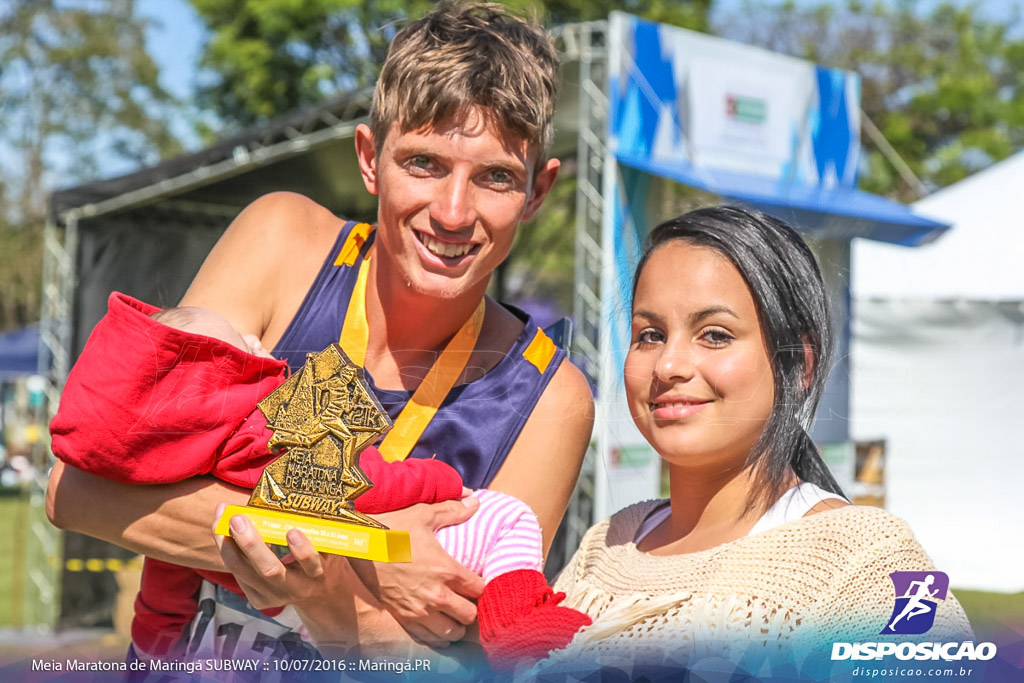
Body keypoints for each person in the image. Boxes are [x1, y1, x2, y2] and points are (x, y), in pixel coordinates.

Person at [46, 0, 593, 662]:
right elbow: (80, 489)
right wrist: (366, 541)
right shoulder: (283, 243)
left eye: (496, 177)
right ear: (369, 157)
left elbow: (472, 666)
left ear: (539, 190)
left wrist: (321, 589)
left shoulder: (550, 398)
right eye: (423, 163)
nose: (452, 211)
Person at [524, 206, 973, 674]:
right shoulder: (609, 542)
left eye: (714, 335)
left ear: (799, 365)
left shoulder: (864, 562)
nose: (668, 365)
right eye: (650, 335)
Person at [51, 293, 589, 669]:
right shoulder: (263, 423)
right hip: (432, 538)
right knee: (508, 520)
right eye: (236, 344)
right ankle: (518, 621)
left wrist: (147, 656)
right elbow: (366, 482)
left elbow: (162, 596)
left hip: (286, 610)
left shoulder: (191, 463)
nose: (255, 340)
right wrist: (440, 481)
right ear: (214, 383)